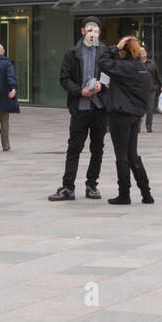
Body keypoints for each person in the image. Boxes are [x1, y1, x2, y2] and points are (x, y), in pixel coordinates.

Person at [48, 18, 109, 201]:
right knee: (74, 148)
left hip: (99, 107)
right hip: (80, 108)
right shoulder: (72, 53)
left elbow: (112, 75)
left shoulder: (105, 52)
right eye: (89, 30)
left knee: (97, 148)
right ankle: (68, 187)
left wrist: (102, 85)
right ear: (83, 31)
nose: (92, 34)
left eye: (96, 31)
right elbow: (64, 78)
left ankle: (92, 185)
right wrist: (80, 91)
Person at [102, 36, 154, 205]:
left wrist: (114, 48)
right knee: (133, 154)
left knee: (122, 155)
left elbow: (102, 61)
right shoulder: (142, 68)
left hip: (121, 114)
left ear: (123, 51)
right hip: (135, 115)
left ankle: (124, 194)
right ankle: (146, 193)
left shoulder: (124, 67)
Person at [139, 46, 161, 132]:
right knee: (139, 108)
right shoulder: (136, 63)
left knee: (150, 108)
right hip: (140, 89)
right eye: (141, 51)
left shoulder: (152, 62)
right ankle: (137, 127)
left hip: (151, 89)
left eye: (144, 50)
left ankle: (149, 126)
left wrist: (161, 85)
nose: (144, 52)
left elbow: (157, 75)